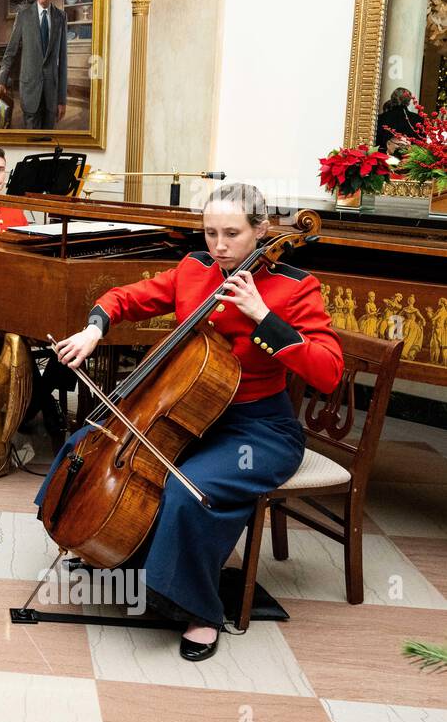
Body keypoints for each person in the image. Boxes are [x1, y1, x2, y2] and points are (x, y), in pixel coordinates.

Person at [42, 183, 343, 661]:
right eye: (210, 233)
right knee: (89, 442)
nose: (219, 246)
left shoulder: (294, 286)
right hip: (188, 414)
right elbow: (127, 297)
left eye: (232, 233)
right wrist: (94, 328)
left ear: (261, 231)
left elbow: (328, 371)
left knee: (189, 490)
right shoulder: (194, 269)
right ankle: (118, 551)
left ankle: (199, 609)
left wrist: (264, 317)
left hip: (258, 429)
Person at [0, 0, 68, 130]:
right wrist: (1, 82)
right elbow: (10, 53)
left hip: (51, 95)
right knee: (30, 142)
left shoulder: (61, 17)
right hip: (29, 92)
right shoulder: (23, 16)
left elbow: (62, 61)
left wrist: (62, 99)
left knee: (47, 144)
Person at [376, 87, 421, 154]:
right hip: (411, 160)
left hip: (384, 158)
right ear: (408, 102)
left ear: (392, 99)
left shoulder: (381, 118)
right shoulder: (418, 119)